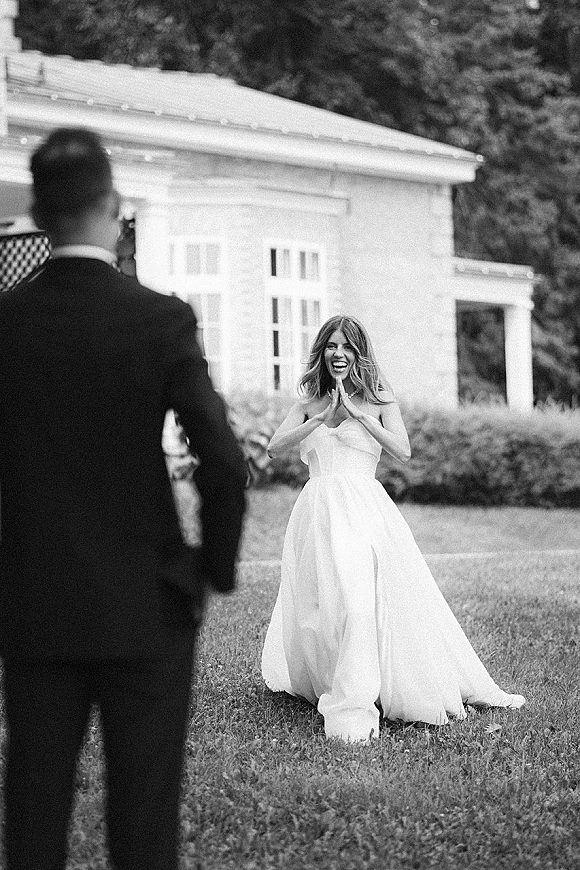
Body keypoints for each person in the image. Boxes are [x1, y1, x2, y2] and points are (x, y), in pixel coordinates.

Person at [0, 127, 247, 869]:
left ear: (38, 215)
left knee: (33, 812)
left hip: (33, 603)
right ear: (112, 206)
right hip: (148, 601)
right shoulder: (160, 319)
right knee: (144, 823)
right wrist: (213, 570)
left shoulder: (6, 323)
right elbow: (222, 459)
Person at [261, 315, 525, 743]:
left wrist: (358, 416)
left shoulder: (381, 400)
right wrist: (321, 418)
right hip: (318, 513)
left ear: (359, 353)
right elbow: (275, 447)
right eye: (331, 346)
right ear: (321, 353)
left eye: (347, 346)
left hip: (364, 512)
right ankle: (331, 676)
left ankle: (357, 698)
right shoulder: (309, 403)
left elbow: (402, 451)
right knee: (323, 605)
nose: (339, 354)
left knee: (360, 603)